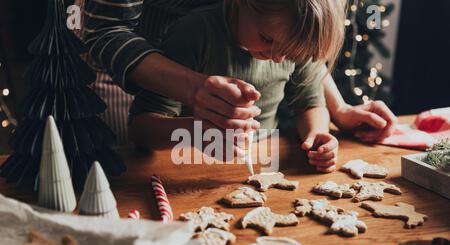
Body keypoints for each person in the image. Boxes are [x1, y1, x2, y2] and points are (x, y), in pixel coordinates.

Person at [82, 0, 397, 171]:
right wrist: (195, 128)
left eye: (288, 53)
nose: (277, 59)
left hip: (258, 168)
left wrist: (330, 119)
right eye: (267, 40)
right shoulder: (193, 34)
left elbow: (308, 88)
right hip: (185, 169)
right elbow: (142, 127)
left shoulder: (286, 35)